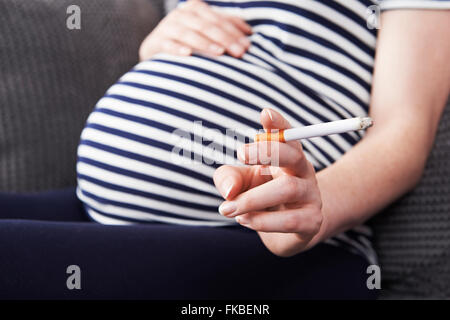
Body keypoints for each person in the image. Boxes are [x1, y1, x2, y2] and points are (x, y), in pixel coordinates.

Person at [1, 0, 449, 299]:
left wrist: (316, 207)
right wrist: (157, 48)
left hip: (297, 250)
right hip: (108, 209)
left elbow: (402, 130)